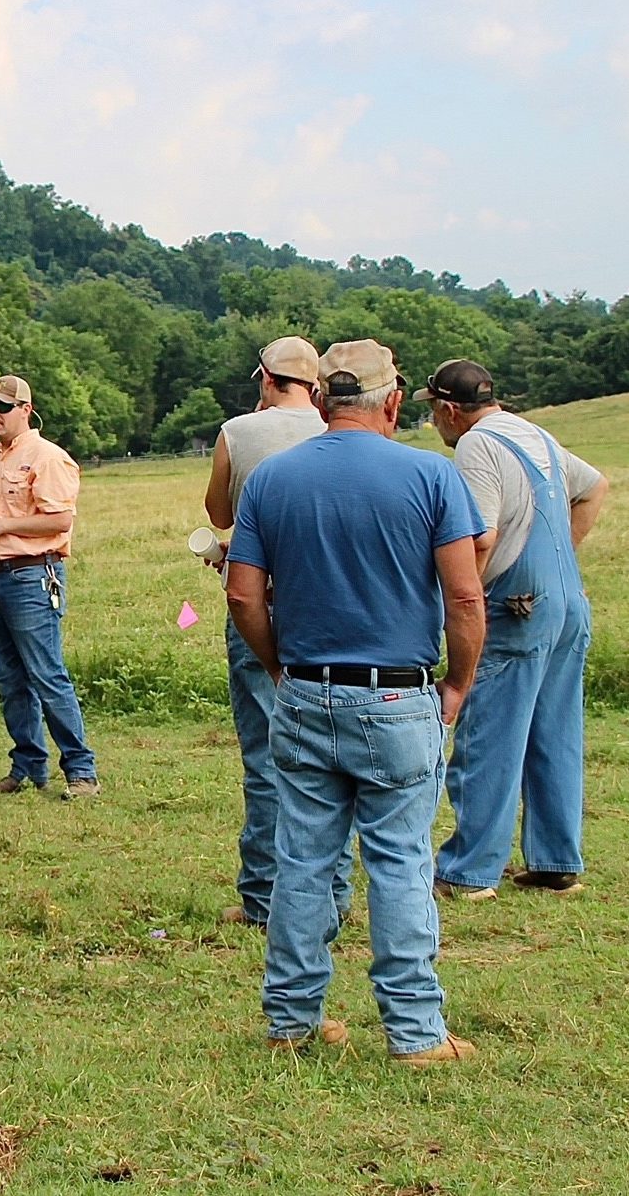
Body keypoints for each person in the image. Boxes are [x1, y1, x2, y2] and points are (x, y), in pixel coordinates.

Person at [227, 341, 485, 1065]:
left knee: (302, 859)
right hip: (401, 696)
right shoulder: (432, 475)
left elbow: (243, 592)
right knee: (400, 863)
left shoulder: (272, 481)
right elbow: (465, 596)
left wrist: (279, 666)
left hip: (306, 691)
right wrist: (458, 684)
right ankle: (414, 1032)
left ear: (317, 400)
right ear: (395, 402)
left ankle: (291, 1021)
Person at [418, 359, 609, 900]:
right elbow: (594, 487)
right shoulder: (535, 434)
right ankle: (555, 861)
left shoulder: (478, 446)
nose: (436, 424)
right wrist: (561, 561)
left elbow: (480, 536)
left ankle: (470, 870)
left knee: (490, 736)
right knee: (554, 733)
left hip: (516, 606)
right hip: (568, 603)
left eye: (434, 413)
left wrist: (463, 604)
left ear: (451, 410)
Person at [203, 336, 349, 930]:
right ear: (314, 387)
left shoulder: (238, 433)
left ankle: (264, 895)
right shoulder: (340, 432)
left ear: (265, 380)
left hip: (260, 604)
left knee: (265, 755)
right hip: (334, 614)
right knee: (333, 757)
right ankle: (333, 894)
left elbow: (219, 514)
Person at [0, 374, 98, 799]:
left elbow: (60, 520)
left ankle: (81, 771)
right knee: (10, 679)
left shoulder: (48, 457)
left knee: (46, 674)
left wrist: (1, 526)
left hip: (33, 577)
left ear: (26, 410)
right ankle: (28, 767)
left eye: (2, 406)